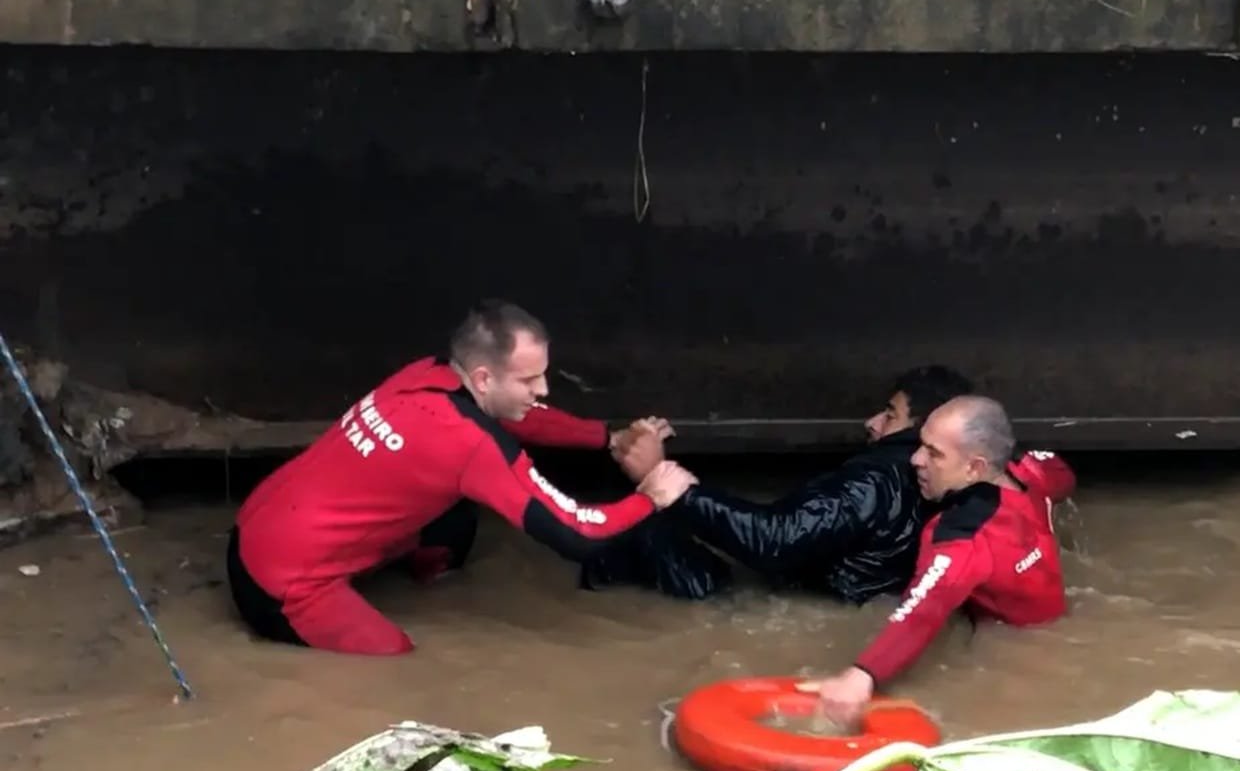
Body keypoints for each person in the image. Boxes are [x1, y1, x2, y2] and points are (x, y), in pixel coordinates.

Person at [226, 299, 695, 656]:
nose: (544, 390)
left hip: (257, 525)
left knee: (455, 517)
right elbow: (576, 531)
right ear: (485, 378)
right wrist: (651, 497)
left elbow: (521, 419)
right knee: (400, 659)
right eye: (529, 380)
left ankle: (431, 584)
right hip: (280, 588)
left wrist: (604, 438)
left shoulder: (425, 375)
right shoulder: (467, 444)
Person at [581, 365, 976, 604]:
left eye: (890, 414)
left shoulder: (876, 479)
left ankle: (582, 604)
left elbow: (776, 539)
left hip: (773, 605)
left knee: (642, 525)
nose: (872, 422)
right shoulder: (952, 480)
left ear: (925, 426)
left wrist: (662, 481)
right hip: (843, 602)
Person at [797, 394, 1076, 726]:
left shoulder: (963, 537)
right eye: (921, 445)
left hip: (1021, 649)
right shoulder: (1033, 473)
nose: (915, 460)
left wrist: (861, 676)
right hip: (1058, 628)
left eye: (934, 453)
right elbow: (1061, 473)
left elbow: (924, 607)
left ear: (975, 467)